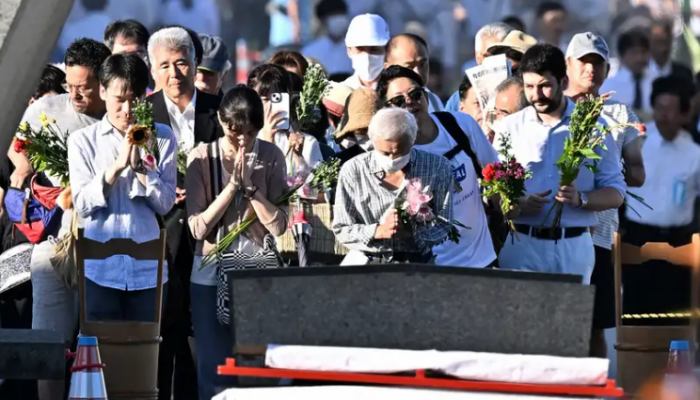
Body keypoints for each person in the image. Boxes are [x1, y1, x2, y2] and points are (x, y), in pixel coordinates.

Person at [186, 86, 289, 400]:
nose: (243, 140)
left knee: (256, 368)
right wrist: (231, 188)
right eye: (234, 133)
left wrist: (253, 192)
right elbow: (197, 227)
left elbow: (279, 224)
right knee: (214, 368)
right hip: (210, 271)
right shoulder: (201, 157)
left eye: (250, 132)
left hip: (256, 272)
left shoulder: (271, 155)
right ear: (220, 120)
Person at [495, 44, 626, 283]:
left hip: (573, 245)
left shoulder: (593, 126)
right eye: (529, 86)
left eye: (544, 85)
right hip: (523, 242)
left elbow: (616, 192)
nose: (536, 95)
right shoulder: (509, 128)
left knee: (568, 320)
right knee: (521, 319)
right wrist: (518, 203)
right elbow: (493, 193)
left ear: (563, 82)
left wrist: (581, 199)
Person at [68, 51, 175, 319]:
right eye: (119, 100)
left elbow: (165, 204)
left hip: (147, 272)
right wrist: (115, 167)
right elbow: (81, 205)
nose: (127, 110)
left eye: (134, 100)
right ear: (102, 91)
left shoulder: (161, 136)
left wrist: (143, 173)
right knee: (100, 351)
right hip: (99, 270)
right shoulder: (83, 141)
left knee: (144, 352)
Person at [147, 26, 222, 400]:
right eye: (164, 65)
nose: (174, 74)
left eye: (182, 63)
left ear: (196, 65)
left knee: (205, 327)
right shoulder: (143, 114)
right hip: (163, 230)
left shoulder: (219, 108)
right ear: (151, 69)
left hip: (214, 231)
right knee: (166, 326)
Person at [564, 31, 646, 357]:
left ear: (607, 69)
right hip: (557, 228)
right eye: (583, 61)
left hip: (599, 232)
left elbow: (638, 172)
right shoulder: (552, 110)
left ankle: (595, 391)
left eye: (597, 62)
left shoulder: (622, 115)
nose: (590, 70)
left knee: (594, 325)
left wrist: (608, 173)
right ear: (568, 65)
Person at [377, 66, 499, 268]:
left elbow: (494, 170)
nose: (409, 102)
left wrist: (503, 206)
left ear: (425, 95)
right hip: (436, 268)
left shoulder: (460, 125)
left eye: (415, 94)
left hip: (483, 259)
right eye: (398, 101)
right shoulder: (393, 154)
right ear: (386, 110)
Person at [623, 76, 698, 328]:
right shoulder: (638, 143)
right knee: (635, 316)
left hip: (679, 242)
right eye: (660, 108)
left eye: (671, 109)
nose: (664, 116)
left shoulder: (694, 154)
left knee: (676, 318)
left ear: (685, 114)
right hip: (637, 238)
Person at [333, 108, 453, 263]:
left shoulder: (437, 167)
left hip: (416, 262)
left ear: (413, 140)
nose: (392, 159)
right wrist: (378, 231)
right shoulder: (354, 170)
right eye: (385, 153)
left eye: (400, 152)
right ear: (373, 141)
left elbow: (443, 223)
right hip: (369, 263)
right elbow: (342, 229)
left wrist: (413, 233)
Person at [247, 63, 323, 170]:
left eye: (277, 98)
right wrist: (268, 141)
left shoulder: (307, 143)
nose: (270, 105)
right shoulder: (244, 141)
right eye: (265, 99)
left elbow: (318, 185)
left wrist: (299, 158)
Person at [446, 23, 513, 112]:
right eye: (488, 56)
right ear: (477, 57)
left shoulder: (523, 91)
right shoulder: (459, 99)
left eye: (500, 55)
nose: (495, 61)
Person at [600, 30, 653, 120]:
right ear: (622, 56)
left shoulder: (656, 82)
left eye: (643, 52)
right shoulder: (607, 88)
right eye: (634, 53)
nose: (639, 58)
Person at [384, 34, 444, 112]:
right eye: (409, 67)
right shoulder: (377, 107)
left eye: (422, 64)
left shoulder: (433, 100)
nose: (418, 73)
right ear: (388, 68)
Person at [302, 0, 353, 75]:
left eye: (340, 14)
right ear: (322, 20)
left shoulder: (356, 49)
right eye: (333, 15)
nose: (338, 19)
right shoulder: (310, 51)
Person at [340, 13, 391, 90]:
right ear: (349, 50)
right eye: (360, 49)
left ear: (386, 50)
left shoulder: (398, 92)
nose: (367, 56)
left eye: (374, 49)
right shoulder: (340, 93)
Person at [334, 88, 380, 164]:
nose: (370, 135)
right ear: (352, 132)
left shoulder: (398, 154)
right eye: (363, 130)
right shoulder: (340, 163)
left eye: (374, 129)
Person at [648, 19, 693, 83]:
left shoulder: (684, 75)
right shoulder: (638, 75)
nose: (662, 49)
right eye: (658, 42)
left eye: (665, 42)